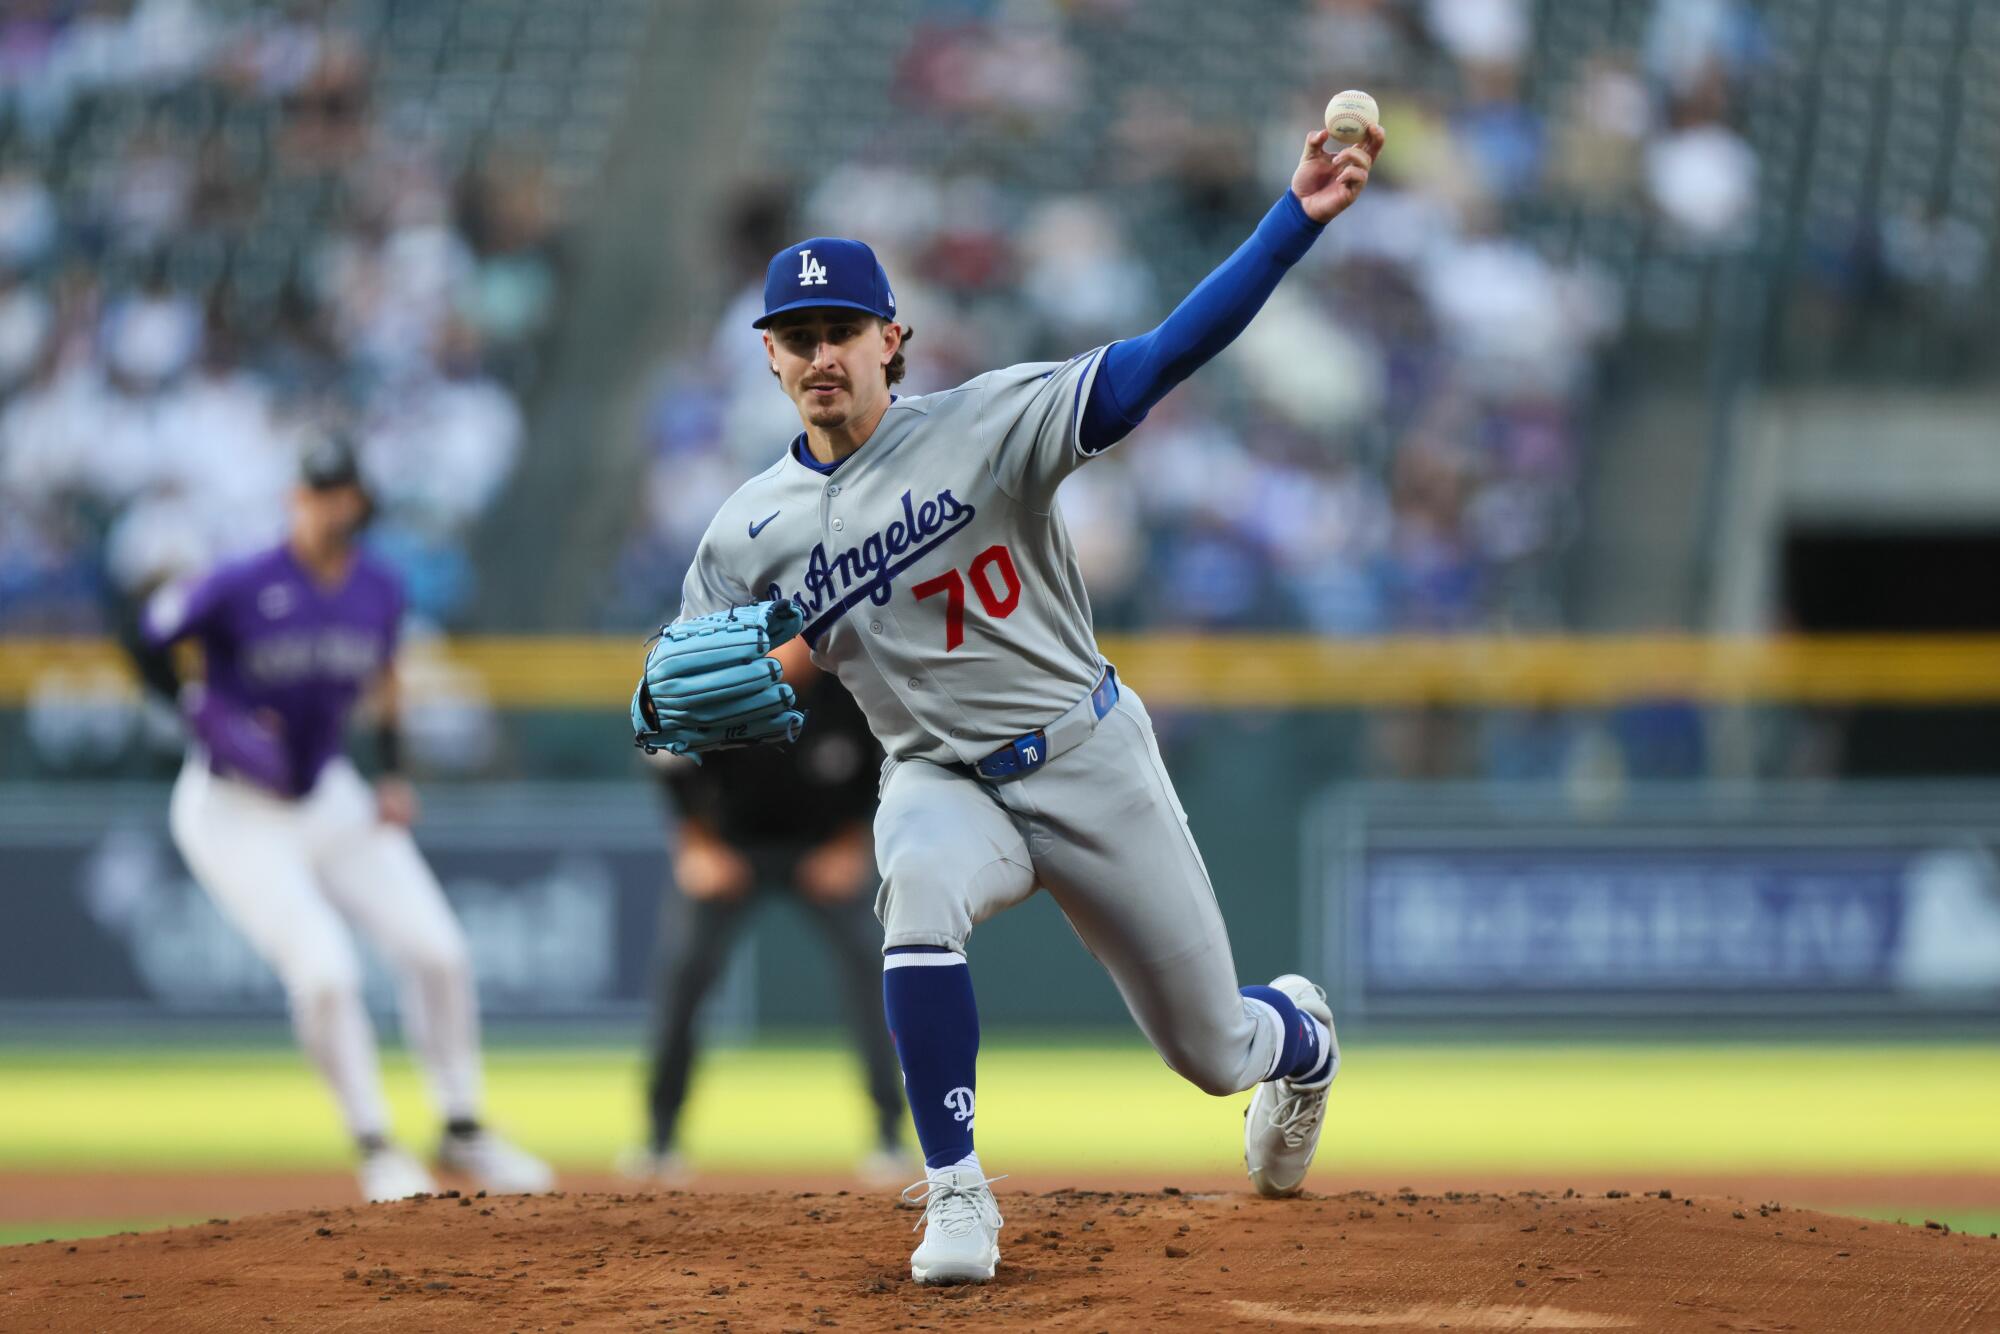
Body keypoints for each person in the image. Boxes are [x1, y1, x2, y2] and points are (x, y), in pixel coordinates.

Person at [635, 119, 1385, 1284]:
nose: (821, 353)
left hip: (1089, 757)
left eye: (842, 331)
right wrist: (657, 704)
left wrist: (1289, 223)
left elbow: (1158, 357)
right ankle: (955, 1195)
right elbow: (680, 681)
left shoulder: (990, 425)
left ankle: (1299, 1033)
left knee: (1210, 1050)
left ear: (895, 337)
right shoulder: (745, 530)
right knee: (917, 887)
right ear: (769, 359)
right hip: (938, 777)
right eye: (797, 337)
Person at [139, 440, 554, 1203]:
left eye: (335, 491)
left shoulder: (378, 589)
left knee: (440, 953)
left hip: (327, 788)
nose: (322, 503)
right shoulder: (241, 581)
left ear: (357, 502)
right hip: (232, 806)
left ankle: (462, 1130)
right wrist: (193, 707)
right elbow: (150, 631)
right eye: (311, 489)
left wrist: (392, 769)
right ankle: (374, 1145)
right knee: (326, 972)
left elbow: (389, 682)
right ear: (295, 497)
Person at [625, 636, 915, 1186]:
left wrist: (852, 844)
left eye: (799, 636)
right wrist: (695, 844)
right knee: (684, 969)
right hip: (729, 848)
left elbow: (892, 765)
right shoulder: (719, 686)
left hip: (822, 848)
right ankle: (659, 1140)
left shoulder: (853, 687)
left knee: (878, 969)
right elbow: (662, 750)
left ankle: (890, 1135)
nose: (788, 648)